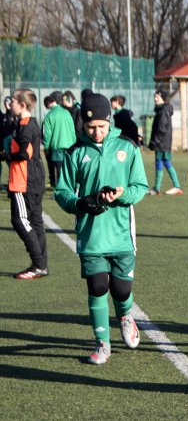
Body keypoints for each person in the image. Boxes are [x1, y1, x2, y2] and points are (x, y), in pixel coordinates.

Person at [54, 93, 148, 365]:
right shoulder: (75, 153)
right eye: (90, 127)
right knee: (97, 287)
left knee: (120, 290)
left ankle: (126, 317)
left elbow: (139, 187)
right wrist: (80, 203)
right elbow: (62, 192)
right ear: (82, 124)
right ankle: (102, 344)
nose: (96, 132)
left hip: (121, 235)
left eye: (101, 127)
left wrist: (120, 194)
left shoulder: (127, 147)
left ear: (110, 123)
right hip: (92, 235)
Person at [0, 89, 48, 279]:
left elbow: (24, 153)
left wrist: (6, 156)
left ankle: (37, 263)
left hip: (24, 180)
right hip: (34, 178)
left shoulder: (25, 125)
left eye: (12, 101)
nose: (9, 104)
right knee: (35, 221)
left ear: (22, 105)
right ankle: (41, 265)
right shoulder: (29, 123)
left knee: (20, 220)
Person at [148, 88, 182, 195]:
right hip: (161, 142)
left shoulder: (163, 110)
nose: (155, 98)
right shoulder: (160, 109)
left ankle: (176, 186)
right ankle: (157, 188)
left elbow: (161, 128)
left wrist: (155, 142)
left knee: (165, 162)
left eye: (157, 97)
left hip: (162, 142)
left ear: (162, 98)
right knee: (160, 162)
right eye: (155, 96)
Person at [42, 91, 75, 189]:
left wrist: (46, 147)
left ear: (49, 103)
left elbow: (47, 134)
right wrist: (73, 143)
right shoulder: (67, 112)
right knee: (67, 168)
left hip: (57, 146)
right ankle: (69, 186)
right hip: (69, 144)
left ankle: (61, 189)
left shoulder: (49, 115)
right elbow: (72, 130)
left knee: (59, 169)